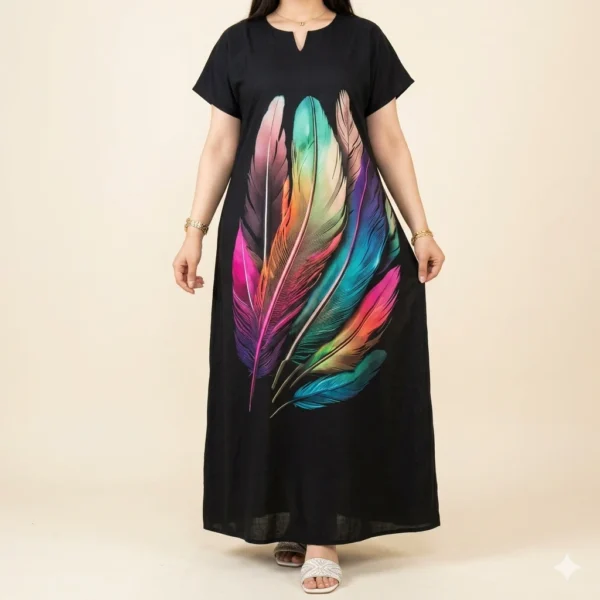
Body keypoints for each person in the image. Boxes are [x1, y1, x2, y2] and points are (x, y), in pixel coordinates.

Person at [173, 0, 445, 593]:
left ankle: (324, 534)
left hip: (349, 244)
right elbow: (220, 145)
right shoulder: (238, 43)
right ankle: (290, 516)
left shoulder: (364, 40)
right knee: (269, 387)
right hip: (260, 247)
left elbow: (388, 140)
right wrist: (194, 231)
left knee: (328, 383)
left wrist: (421, 229)